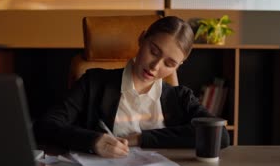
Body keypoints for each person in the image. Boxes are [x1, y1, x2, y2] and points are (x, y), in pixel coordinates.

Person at [36, 16, 230, 158]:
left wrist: (141, 138)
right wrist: (92, 141)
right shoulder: (94, 82)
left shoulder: (180, 97)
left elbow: (219, 136)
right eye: (153, 51)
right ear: (141, 39)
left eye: (169, 64)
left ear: (179, 65)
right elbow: (45, 125)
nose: (155, 66)